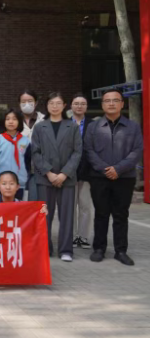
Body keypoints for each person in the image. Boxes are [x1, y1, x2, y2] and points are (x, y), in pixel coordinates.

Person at [85, 89, 143, 266]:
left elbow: (137, 151)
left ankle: (121, 251)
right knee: (101, 213)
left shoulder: (132, 127)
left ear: (122, 104)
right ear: (102, 104)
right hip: (99, 177)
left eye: (115, 100)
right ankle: (99, 249)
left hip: (124, 178)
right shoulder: (93, 127)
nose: (111, 104)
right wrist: (105, 169)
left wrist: (118, 169)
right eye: (107, 101)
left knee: (121, 214)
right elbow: (89, 150)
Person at [31, 92, 82, 262]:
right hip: (45, 178)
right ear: (47, 106)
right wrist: (49, 173)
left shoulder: (72, 126)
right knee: (45, 214)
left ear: (64, 105)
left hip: (67, 178)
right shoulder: (40, 127)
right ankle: (45, 248)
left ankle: (66, 250)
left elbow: (77, 152)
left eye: (58, 103)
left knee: (66, 215)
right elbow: (35, 152)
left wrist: (64, 173)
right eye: (51, 103)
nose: (55, 106)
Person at [0, 109, 31, 200]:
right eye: (7, 119)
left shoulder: (26, 141)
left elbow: (28, 162)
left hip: (19, 182)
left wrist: (26, 177)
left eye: (14, 119)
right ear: (3, 122)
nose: (11, 122)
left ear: (19, 122)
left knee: (17, 207)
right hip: (0, 183)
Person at [71, 94, 94, 249]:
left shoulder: (93, 125)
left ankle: (83, 236)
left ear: (86, 106)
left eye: (82, 103)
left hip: (87, 171)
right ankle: (72, 236)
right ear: (71, 106)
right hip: (69, 172)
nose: (79, 106)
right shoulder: (65, 124)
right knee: (70, 206)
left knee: (85, 205)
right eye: (76, 103)